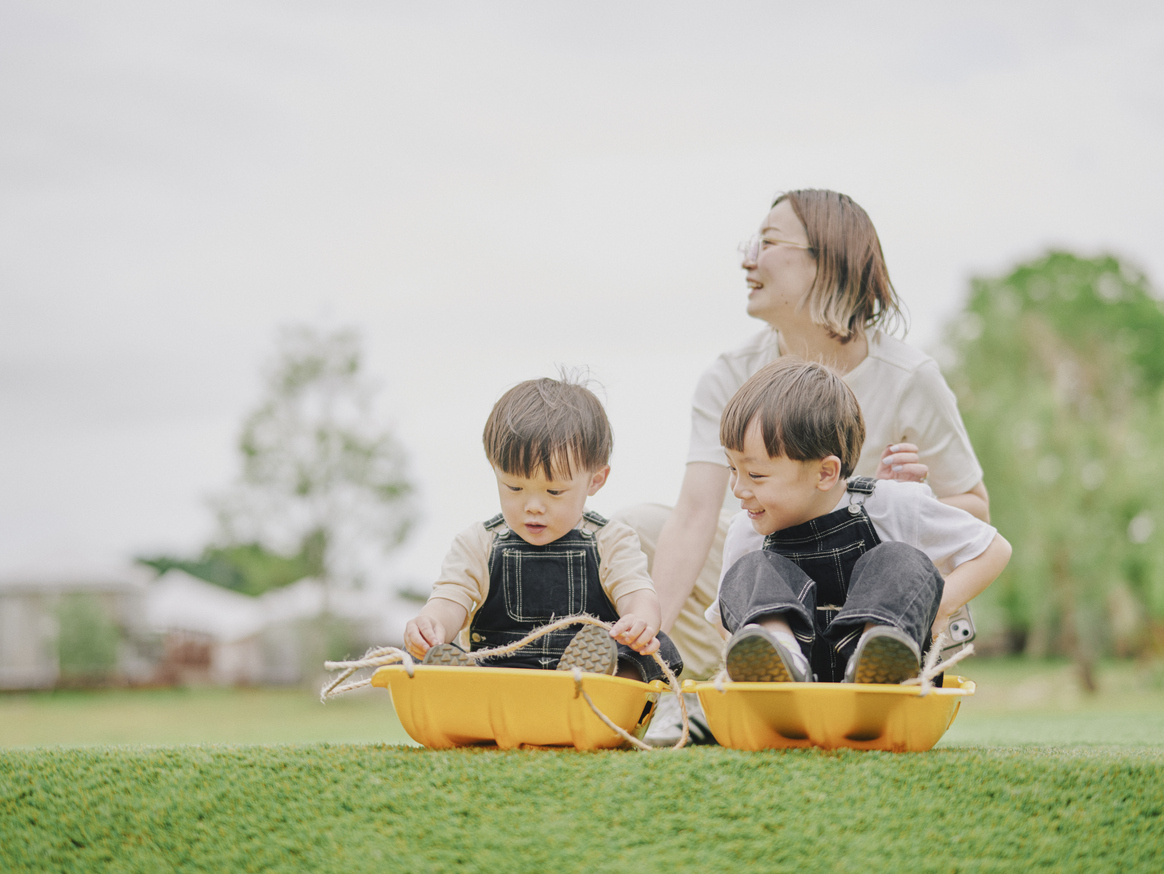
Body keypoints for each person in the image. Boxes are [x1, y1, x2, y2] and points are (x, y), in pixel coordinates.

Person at [622, 188, 989, 683]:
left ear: (827, 262)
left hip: (871, 575)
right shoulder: (730, 374)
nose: (748, 260)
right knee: (636, 527)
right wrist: (651, 635)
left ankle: (884, 653)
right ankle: (709, 663)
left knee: (895, 556)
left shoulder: (909, 378)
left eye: (768, 242)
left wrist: (881, 497)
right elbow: (694, 516)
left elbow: (975, 511)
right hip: (774, 563)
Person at [708, 357, 1011, 684]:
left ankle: (880, 649)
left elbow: (994, 549)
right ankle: (781, 654)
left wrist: (940, 605)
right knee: (748, 570)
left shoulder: (893, 504)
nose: (739, 489)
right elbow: (725, 621)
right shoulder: (746, 533)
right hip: (794, 699)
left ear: (825, 473)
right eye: (732, 469)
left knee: (898, 559)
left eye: (755, 474)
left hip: (889, 695)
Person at [404, 376, 683, 682]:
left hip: (588, 679)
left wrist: (639, 621)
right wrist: (432, 625)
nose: (533, 506)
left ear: (595, 480)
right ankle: (466, 688)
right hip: (502, 673)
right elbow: (451, 598)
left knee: (659, 647)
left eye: (554, 492)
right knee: (446, 655)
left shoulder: (612, 540)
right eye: (514, 487)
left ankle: (599, 687)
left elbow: (637, 593)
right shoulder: (478, 543)